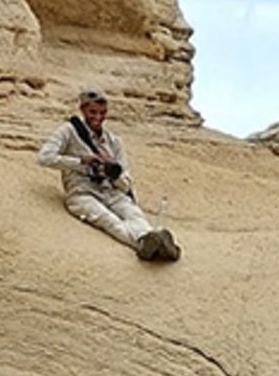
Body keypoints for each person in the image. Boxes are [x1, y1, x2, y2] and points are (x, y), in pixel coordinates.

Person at [38, 90, 180, 262]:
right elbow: (44, 157)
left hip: (111, 191)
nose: (98, 117)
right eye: (93, 112)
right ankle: (144, 245)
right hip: (81, 193)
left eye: (102, 113)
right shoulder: (69, 131)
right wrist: (82, 161)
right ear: (83, 110)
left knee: (133, 214)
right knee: (108, 220)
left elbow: (126, 184)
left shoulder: (114, 141)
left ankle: (154, 240)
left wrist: (114, 172)